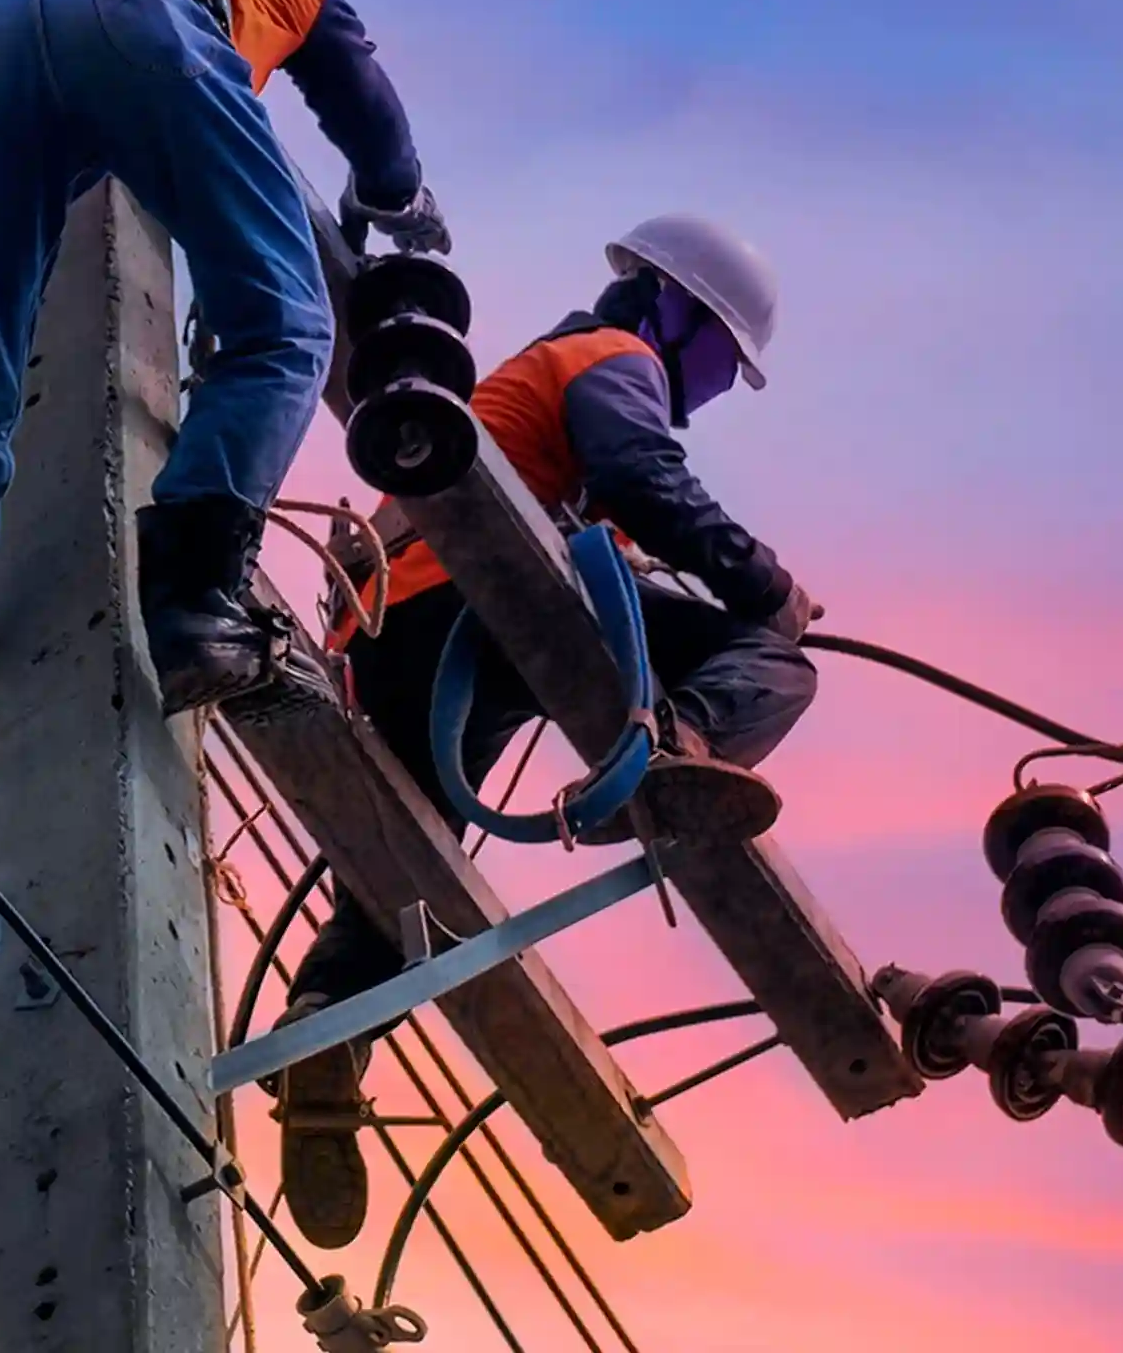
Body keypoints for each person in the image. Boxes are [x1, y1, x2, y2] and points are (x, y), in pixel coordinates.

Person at [0, 0, 443, 886]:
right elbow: (363, 105)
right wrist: (401, 196)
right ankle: (195, 607)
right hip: (142, 9)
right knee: (283, 317)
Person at [270, 212, 822, 1246]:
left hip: (388, 626)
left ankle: (326, 1040)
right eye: (716, 360)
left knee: (406, 877)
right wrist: (764, 581)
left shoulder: (536, 388)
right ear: (676, 311)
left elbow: (603, 508)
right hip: (479, 597)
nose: (706, 390)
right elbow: (642, 478)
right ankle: (677, 756)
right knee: (776, 662)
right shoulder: (613, 357)